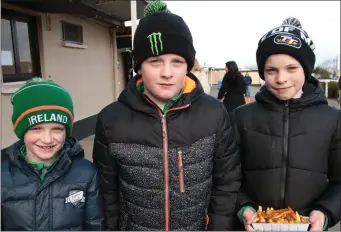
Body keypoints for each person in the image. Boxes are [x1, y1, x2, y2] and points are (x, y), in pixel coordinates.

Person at [92, 1, 241, 231]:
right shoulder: (111, 121)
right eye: (155, 62)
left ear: (188, 66)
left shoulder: (213, 113)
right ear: (139, 66)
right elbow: (107, 193)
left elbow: (227, 181)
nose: (167, 73)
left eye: (177, 62)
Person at [232, 17, 341, 231]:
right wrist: (243, 207)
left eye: (291, 68)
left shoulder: (333, 119)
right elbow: (227, 176)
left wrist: (325, 212)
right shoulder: (240, 117)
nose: (281, 78)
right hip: (253, 226)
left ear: (306, 69)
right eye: (271, 70)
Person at [1, 77, 104, 230]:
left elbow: (95, 224)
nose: (47, 139)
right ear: (21, 131)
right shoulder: (3, 177)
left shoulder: (87, 173)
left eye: (57, 129)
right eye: (36, 129)